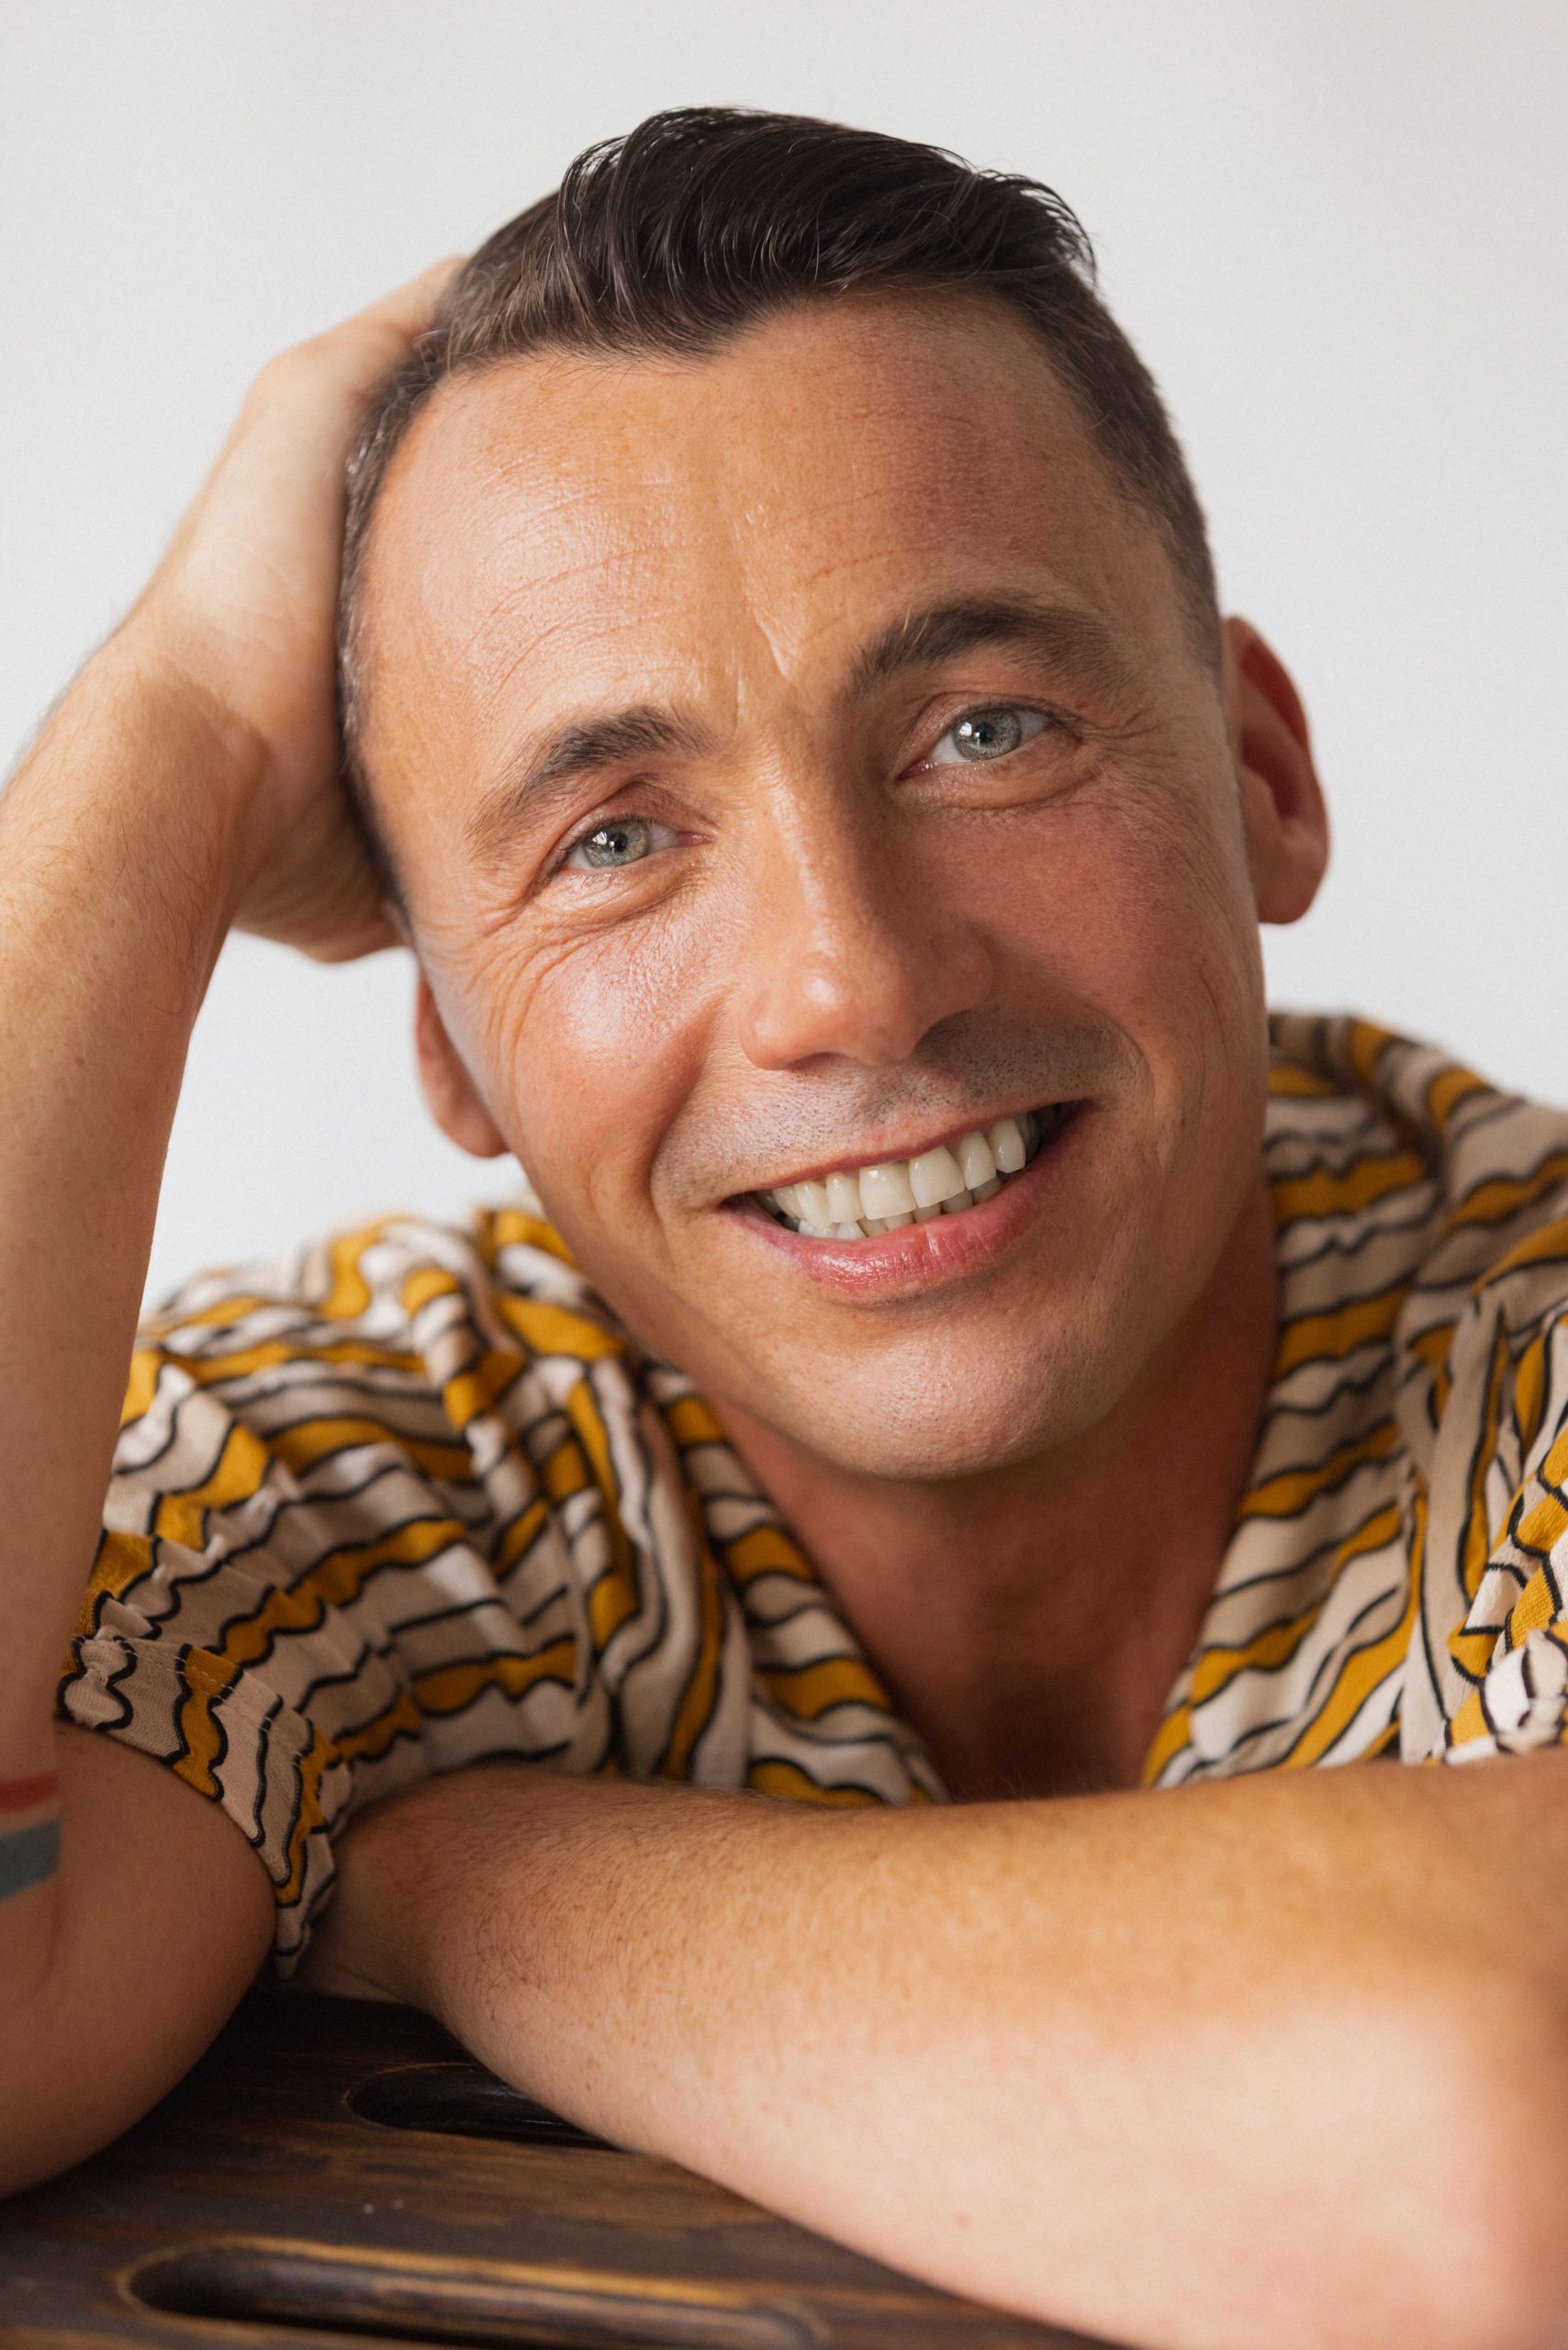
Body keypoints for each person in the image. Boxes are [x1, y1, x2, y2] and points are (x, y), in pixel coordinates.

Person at [4, 105, 1567, 2350]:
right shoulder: (369, 1477)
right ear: (450, 1044)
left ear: (1258, 780)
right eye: (612, 839)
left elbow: (1495, 2132)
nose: (848, 979)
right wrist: (166, 731)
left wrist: (469, 1871)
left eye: (983, 730)